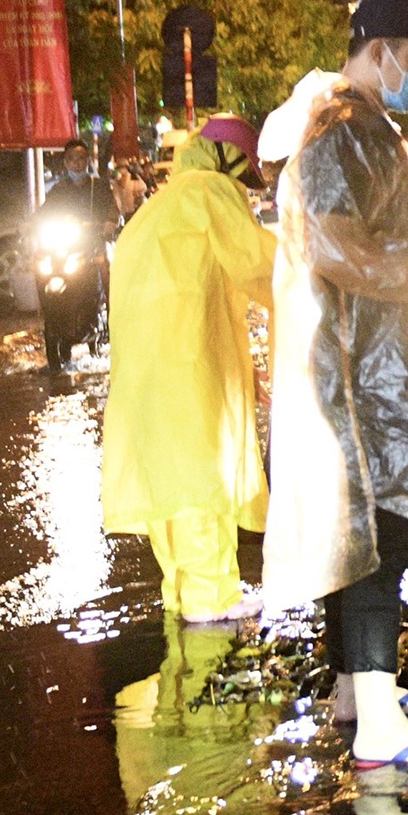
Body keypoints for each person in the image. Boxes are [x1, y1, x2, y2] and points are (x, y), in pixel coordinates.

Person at [263, 0, 408, 770]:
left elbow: (380, 236)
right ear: (378, 50)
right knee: (377, 542)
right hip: (365, 384)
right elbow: (340, 252)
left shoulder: (366, 131)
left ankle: (354, 694)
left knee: (367, 536)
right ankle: (377, 731)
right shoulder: (337, 133)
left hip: (380, 373)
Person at [101, 117, 278, 623]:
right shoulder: (210, 192)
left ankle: (183, 591)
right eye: (245, 175)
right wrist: (323, 279)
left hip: (145, 374)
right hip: (191, 366)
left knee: (170, 485)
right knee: (204, 478)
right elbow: (257, 265)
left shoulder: (157, 206)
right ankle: (211, 598)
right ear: (230, 161)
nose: (243, 188)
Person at [42, 142, 119, 235]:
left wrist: (111, 221)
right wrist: (28, 223)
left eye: (80, 158)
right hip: (66, 238)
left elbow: (112, 206)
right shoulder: (60, 188)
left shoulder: (100, 186)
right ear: (66, 163)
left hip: (96, 237)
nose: (76, 163)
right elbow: (45, 208)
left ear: (87, 161)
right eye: (71, 159)